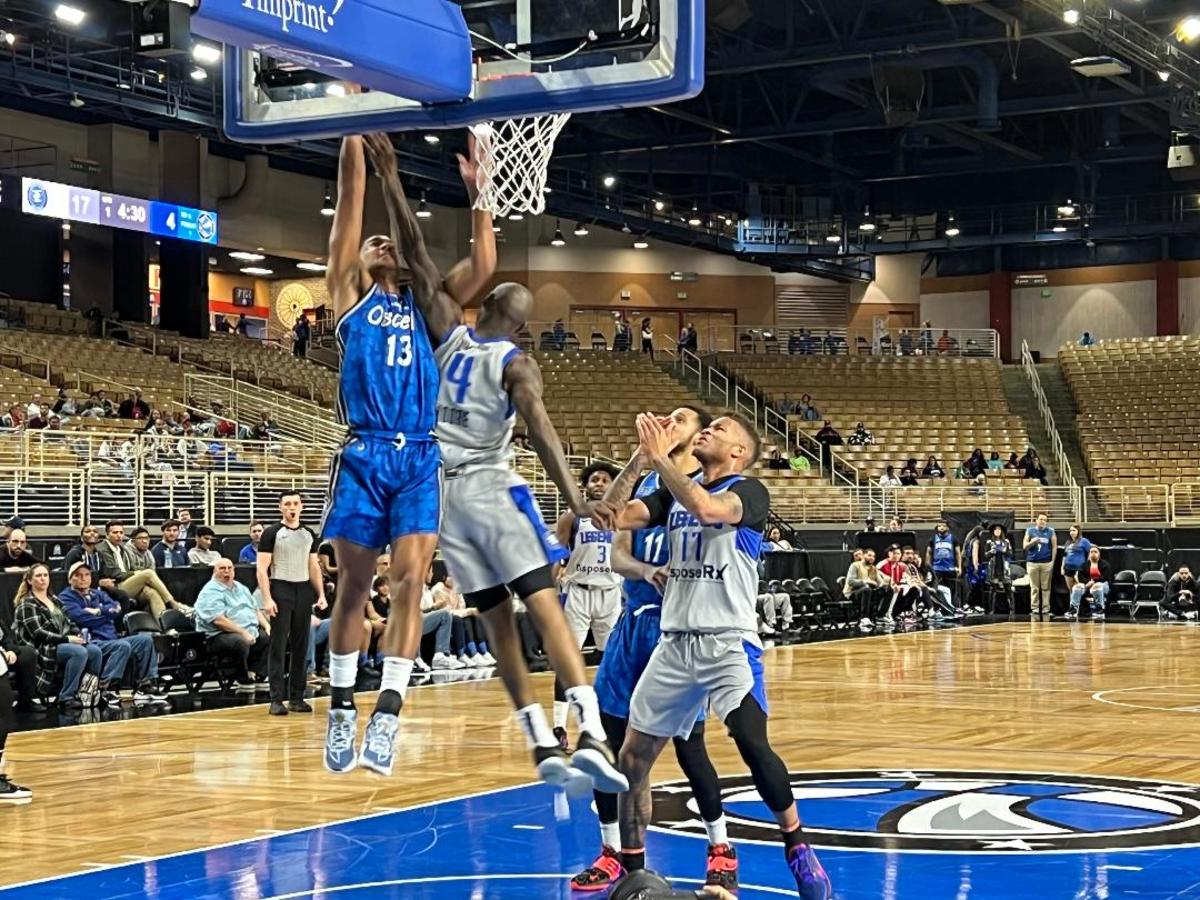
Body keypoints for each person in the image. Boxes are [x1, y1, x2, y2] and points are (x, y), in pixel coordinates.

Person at [401, 209, 624, 789]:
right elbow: (543, 429)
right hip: (492, 488)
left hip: (442, 500)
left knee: (499, 625)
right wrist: (576, 501)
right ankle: (593, 734)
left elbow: (419, 256)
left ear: (484, 306)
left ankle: (538, 741)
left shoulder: (447, 332)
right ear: (521, 328)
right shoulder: (518, 364)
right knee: (546, 607)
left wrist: (391, 178)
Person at [591, 411, 830, 898]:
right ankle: (635, 870)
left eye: (720, 429)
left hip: (728, 641)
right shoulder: (670, 493)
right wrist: (641, 458)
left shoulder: (750, 491)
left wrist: (662, 461)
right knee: (632, 758)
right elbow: (611, 515)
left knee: (749, 740)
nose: (707, 431)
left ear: (739, 452)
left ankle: (797, 846)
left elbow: (706, 509)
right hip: (674, 643)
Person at [320, 127, 497, 777]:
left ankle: (388, 713)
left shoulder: (430, 307)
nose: (381, 242)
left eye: (386, 239)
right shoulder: (348, 294)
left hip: (420, 455)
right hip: (364, 454)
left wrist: (481, 196)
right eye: (373, 241)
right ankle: (343, 707)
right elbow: (349, 198)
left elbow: (482, 265)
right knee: (355, 587)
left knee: (412, 582)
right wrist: (353, 129)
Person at [571, 406, 733, 894]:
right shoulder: (645, 490)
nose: (668, 420)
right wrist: (641, 459)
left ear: (697, 434)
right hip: (634, 624)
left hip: (681, 630)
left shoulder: (704, 490)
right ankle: (611, 851)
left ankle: (720, 846)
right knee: (603, 742)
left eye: (680, 418)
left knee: (690, 747)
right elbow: (612, 539)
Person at [554, 462, 623, 743]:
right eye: (594, 479)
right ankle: (559, 726)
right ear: (585, 485)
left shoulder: (623, 516)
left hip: (610, 593)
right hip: (578, 593)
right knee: (567, 660)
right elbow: (555, 556)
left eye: (605, 480)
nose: (599, 484)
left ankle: (606, 724)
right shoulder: (572, 517)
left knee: (611, 662)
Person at [57, 562, 167, 706]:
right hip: (92, 641)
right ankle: (104, 688)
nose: (83, 578)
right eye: (78, 575)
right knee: (122, 646)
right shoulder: (65, 597)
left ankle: (144, 686)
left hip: (112, 638)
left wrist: (97, 612)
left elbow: (117, 608)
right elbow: (82, 618)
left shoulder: (98, 593)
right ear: (70, 579)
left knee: (145, 640)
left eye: (87, 575)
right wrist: (105, 612)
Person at [258, 492, 326, 716]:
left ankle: (297, 697)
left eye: (295, 503)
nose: (292, 507)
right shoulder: (271, 533)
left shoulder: (308, 533)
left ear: (301, 506)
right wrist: (267, 598)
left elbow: (314, 565)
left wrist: (321, 594)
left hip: (303, 589)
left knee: (301, 644)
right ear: (280, 508)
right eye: (287, 504)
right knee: (278, 645)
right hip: (281, 588)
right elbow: (261, 568)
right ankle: (276, 699)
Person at [13, 564, 101, 710]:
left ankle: (88, 693)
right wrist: (67, 639)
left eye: (45, 575)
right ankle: (65, 697)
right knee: (79, 652)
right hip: (42, 647)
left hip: (63, 642)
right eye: (38, 576)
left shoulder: (54, 600)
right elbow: (38, 633)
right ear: (29, 580)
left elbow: (69, 621)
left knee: (94, 651)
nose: (43, 579)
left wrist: (77, 633)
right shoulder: (27, 603)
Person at [195, 558, 271, 690]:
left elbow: (255, 609)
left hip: (248, 630)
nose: (227, 571)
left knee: (269, 637)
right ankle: (241, 678)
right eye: (222, 568)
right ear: (214, 571)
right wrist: (242, 632)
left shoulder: (241, 587)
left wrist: (266, 625)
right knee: (240, 641)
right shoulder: (209, 592)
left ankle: (256, 674)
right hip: (217, 635)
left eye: (230, 568)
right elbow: (218, 620)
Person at [1023, 514, 1057, 619]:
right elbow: (1024, 546)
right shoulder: (1030, 531)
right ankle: (1035, 609)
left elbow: (1054, 547)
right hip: (1032, 563)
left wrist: (1052, 561)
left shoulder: (1051, 531)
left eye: (1045, 520)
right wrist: (1032, 542)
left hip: (1046, 563)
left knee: (1046, 587)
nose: (1043, 521)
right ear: (1036, 520)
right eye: (1041, 519)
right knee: (1034, 587)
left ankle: (1046, 609)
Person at [926, 520, 961, 609]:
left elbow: (958, 553)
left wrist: (959, 567)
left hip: (949, 568)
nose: (941, 527)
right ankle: (937, 607)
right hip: (936, 569)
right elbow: (928, 553)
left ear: (947, 527)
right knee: (935, 589)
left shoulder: (953, 538)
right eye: (939, 525)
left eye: (943, 525)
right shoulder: (933, 538)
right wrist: (928, 567)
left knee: (951, 590)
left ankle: (952, 607)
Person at [1068, 547, 1110, 620]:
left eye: (1095, 552)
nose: (1093, 553)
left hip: (1102, 585)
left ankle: (1100, 609)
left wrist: (1093, 581)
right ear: (1089, 554)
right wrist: (1087, 583)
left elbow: (1106, 577)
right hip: (1087, 584)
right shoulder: (1084, 565)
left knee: (1097, 586)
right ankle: (1073, 609)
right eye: (1091, 552)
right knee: (1077, 587)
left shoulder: (1105, 564)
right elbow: (1080, 576)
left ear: (1099, 554)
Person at [1060, 525, 1093, 594]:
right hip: (1068, 569)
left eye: (1074, 530)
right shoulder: (1068, 542)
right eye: (1070, 531)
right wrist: (1062, 567)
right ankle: (1072, 604)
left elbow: (1090, 553)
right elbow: (1065, 556)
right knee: (1071, 590)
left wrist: (1087, 565)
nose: (1072, 532)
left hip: (1079, 569)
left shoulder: (1084, 541)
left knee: (1080, 590)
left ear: (1078, 531)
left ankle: (1081, 604)